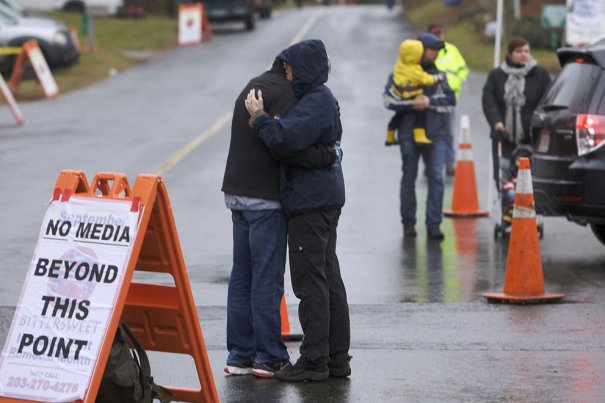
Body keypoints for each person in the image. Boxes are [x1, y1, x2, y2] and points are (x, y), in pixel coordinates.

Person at [221, 57, 340, 379]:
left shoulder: (254, 85)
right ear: (290, 69)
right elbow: (288, 141)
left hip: (235, 193)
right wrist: (331, 153)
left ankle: (239, 355)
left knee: (242, 277)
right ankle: (270, 357)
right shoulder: (287, 94)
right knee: (266, 278)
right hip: (265, 198)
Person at [383, 33, 456, 240]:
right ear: (420, 50)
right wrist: (411, 103)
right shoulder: (399, 74)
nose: (435, 53)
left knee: (436, 178)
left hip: (437, 136)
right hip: (408, 135)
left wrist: (429, 102)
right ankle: (408, 224)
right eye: (432, 49)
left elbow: (451, 101)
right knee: (409, 178)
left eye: (437, 50)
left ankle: (434, 225)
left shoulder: (439, 76)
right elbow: (388, 100)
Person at [482, 36, 551, 186]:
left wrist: (538, 123)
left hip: (531, 139)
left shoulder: (540, 74)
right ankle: (506, 207)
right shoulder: (496, 75)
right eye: (519, 51)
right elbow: (489, 101)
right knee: (504, 178)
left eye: (526, 51)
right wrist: (496, 122)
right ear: (510, 54)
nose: (523, 54)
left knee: (529, 181)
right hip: (503, 137)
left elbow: (547, 101)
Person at [385, 38, 444, 146]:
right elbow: (425, 79)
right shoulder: (415, 69)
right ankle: (419, 134)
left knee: (398, 116)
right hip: (411, 95)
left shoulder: (399, 66)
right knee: (420, 114)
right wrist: (437, 78)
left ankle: (390, 133)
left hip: (399, 94)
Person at [427, 23, 469, 175]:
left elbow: (463, 69)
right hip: (430, 101)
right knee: (430, 134)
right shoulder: (426, 51)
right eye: (435, 33)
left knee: (449, 133)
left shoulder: (452, 50)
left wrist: (455, 86)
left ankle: (450, 164)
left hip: (448, 99)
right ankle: (430, 165)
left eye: (440, 33)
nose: (438, 36)